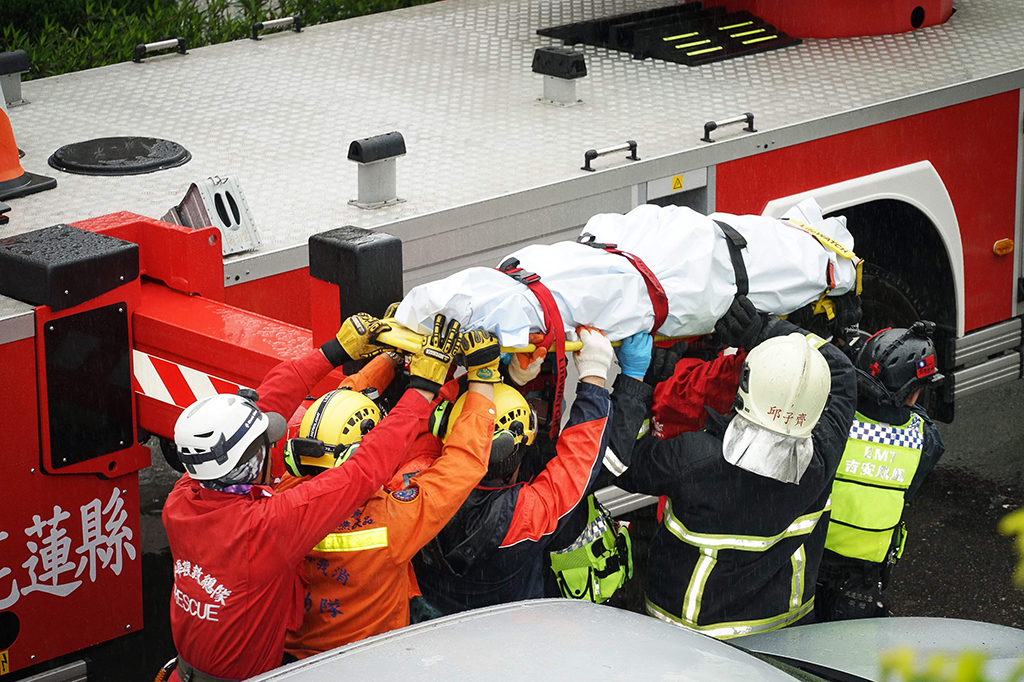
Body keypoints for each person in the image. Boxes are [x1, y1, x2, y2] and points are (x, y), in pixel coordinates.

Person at [162, 312, 462, 681]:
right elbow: (362, 471)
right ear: (253, 460)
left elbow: (264, 409)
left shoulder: (182, 500)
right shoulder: (267, 528)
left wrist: (333, 352)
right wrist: (423, 390)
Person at [606, 295, 857, 638]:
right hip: (784, 627)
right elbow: (841, 372)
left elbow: (618, 461)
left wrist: (639, 383)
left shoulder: (695, 458)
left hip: (689, 637)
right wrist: (762, 330)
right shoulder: (824, 451)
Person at [275, 328, 500, 657]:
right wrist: (483, 378)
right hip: (372, 662)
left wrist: (390, 359)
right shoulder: (392, 520)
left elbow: (338, 408)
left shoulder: (283, 495)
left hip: (294, 661)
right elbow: (462, 464)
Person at [412, 328, 618, 614]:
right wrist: (594, 374)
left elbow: (420, 419)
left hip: (432, 624)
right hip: (511, 634)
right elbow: (577, 464)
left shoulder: (416, 485)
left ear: (447, 428)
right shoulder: (519, 517)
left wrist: (503, 378)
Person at [816, 321, 946, 620]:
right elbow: (918, 421)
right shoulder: (924, 439)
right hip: (863, 580)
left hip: (810, 559)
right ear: (913, 393)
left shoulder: (835, 418)